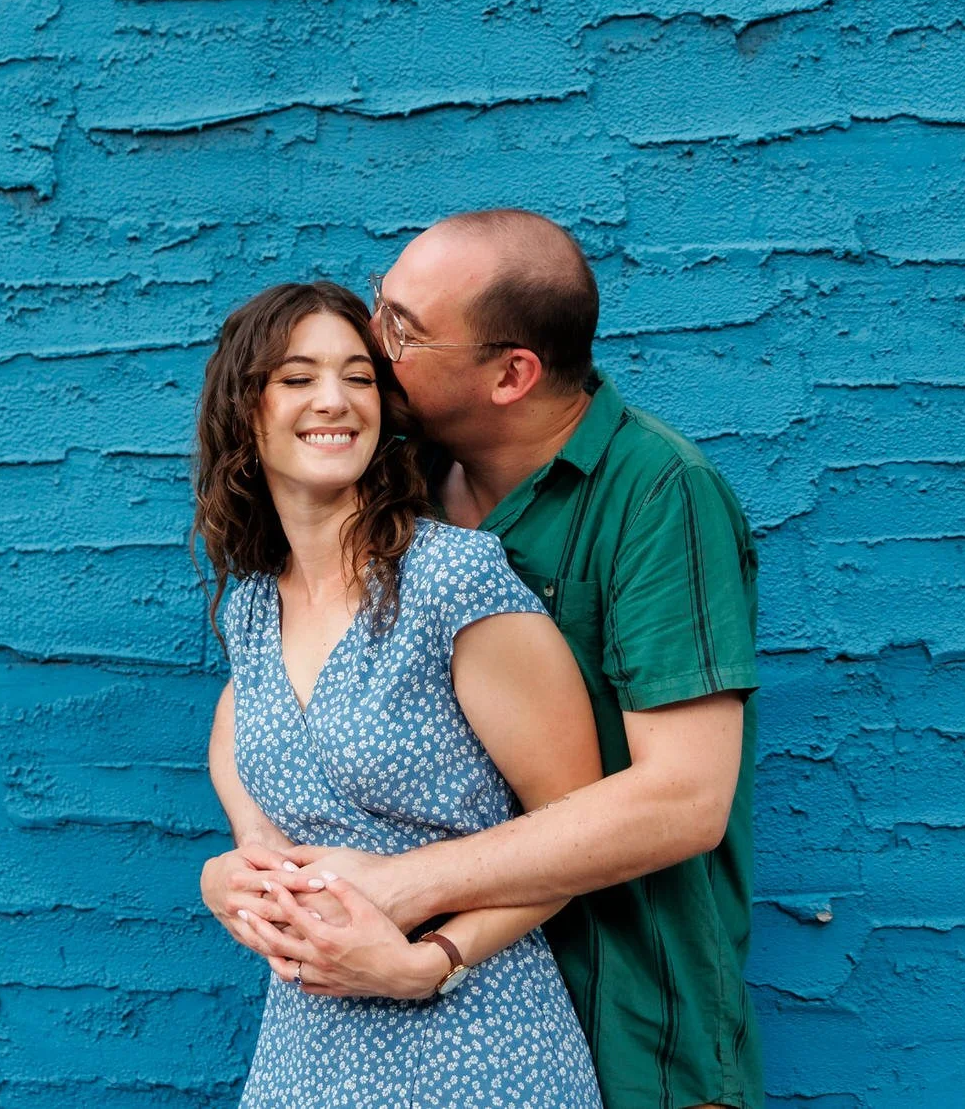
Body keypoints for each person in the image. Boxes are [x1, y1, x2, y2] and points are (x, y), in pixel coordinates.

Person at [207, 212, 764, 1109]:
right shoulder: (397, 488)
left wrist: (407, 897)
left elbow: (686, 798)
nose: (374, 358)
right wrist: (249, 852)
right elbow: (271, 687)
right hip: (392, 1018)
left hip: (634, 1007)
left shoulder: (659, 494)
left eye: (400, 332)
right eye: (382, 313)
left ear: (512, 373)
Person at [194, 280, 607, 1107]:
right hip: (307, 1052)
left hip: (479, 1044)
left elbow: (580, 832)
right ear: (246, 410)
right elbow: (244, 753)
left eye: (357, 375)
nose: (334, 400)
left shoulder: (452, 583)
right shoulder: (250, 609)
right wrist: (231, 869)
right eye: (298, 376)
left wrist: (432, 963)